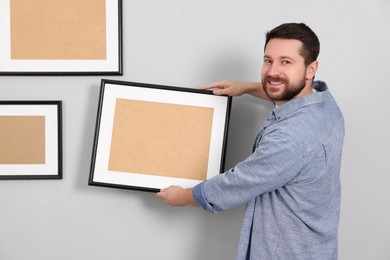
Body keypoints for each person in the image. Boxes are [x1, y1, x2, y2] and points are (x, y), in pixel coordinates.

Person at [156, 22, 345, 260]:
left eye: (286, 62)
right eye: (268, 60)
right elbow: (287, 89)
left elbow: (237, 183)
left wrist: (182, 196)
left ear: (311, 68)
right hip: (316, 245)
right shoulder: (325, 103)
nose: (273, 71)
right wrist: (244, 88)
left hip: (286, 251)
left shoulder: (291, 138)